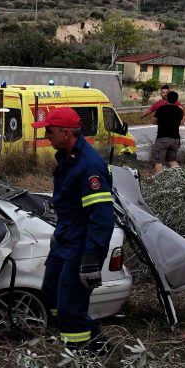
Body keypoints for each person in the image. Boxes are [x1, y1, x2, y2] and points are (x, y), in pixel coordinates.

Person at [32, 108, 114, 352]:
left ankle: (82, 354)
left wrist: (91, 257)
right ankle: (87, 339)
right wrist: (58, 237)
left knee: (70, 305)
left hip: (81, 246)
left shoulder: (89, 167)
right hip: (65, 240)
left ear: (66, 133)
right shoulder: (69, 160)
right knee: (51, 293)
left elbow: (101, 217)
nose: (47, 136)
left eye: (49, 131)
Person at [152, 91, 183, 173]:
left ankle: (159, 179)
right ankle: (180, 176)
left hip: (162, 138)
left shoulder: (161, 109)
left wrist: (162, 123)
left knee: (158, 162)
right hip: (175, 139)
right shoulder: (180, 111)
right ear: (176, 100)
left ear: (167, 98)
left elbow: (154, 121)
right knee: (172, 160)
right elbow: (181, 122)